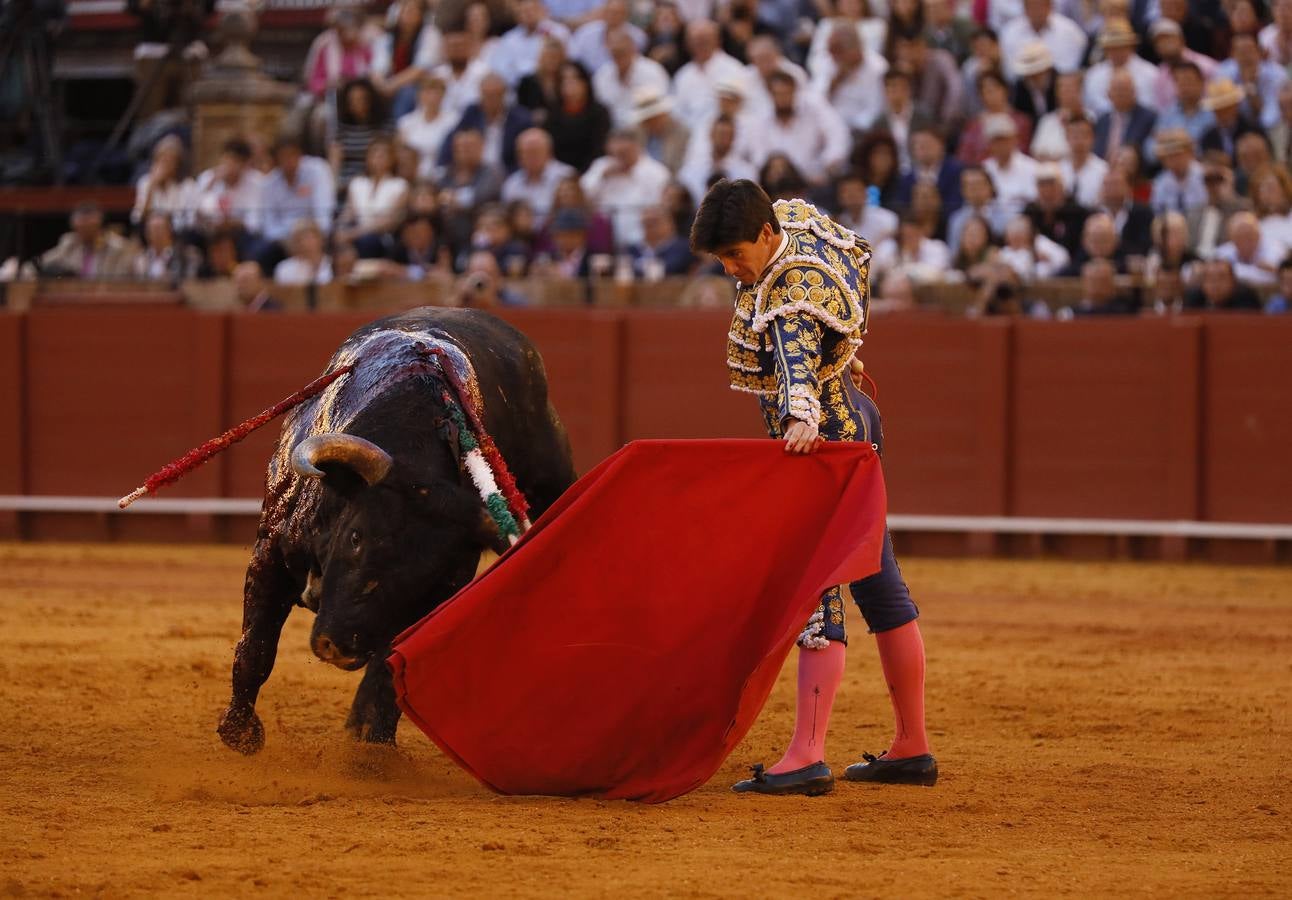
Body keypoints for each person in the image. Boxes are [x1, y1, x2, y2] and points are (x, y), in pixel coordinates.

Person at [689, 179, 934, 796]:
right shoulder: (796, 223)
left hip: (823, 448)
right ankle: (912, 747)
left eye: (737, 254)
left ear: (766, 236)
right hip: (855, 425)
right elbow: (853, 258)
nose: (732, 268)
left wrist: (803, 415)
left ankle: (807, 755)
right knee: (879, 584)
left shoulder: (786, 286)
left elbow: (794, 352)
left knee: (818, 594)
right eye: (722, 259)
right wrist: (844, 347)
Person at [580, 128, 671, 249]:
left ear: (637, 147)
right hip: (602, 239)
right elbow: (580, 196)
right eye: (616, 152)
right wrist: (602, 177)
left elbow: (659, 210)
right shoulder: (601, 166)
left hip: (641, 241)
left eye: (625, 152)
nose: (620, 157)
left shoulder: (657, 172)